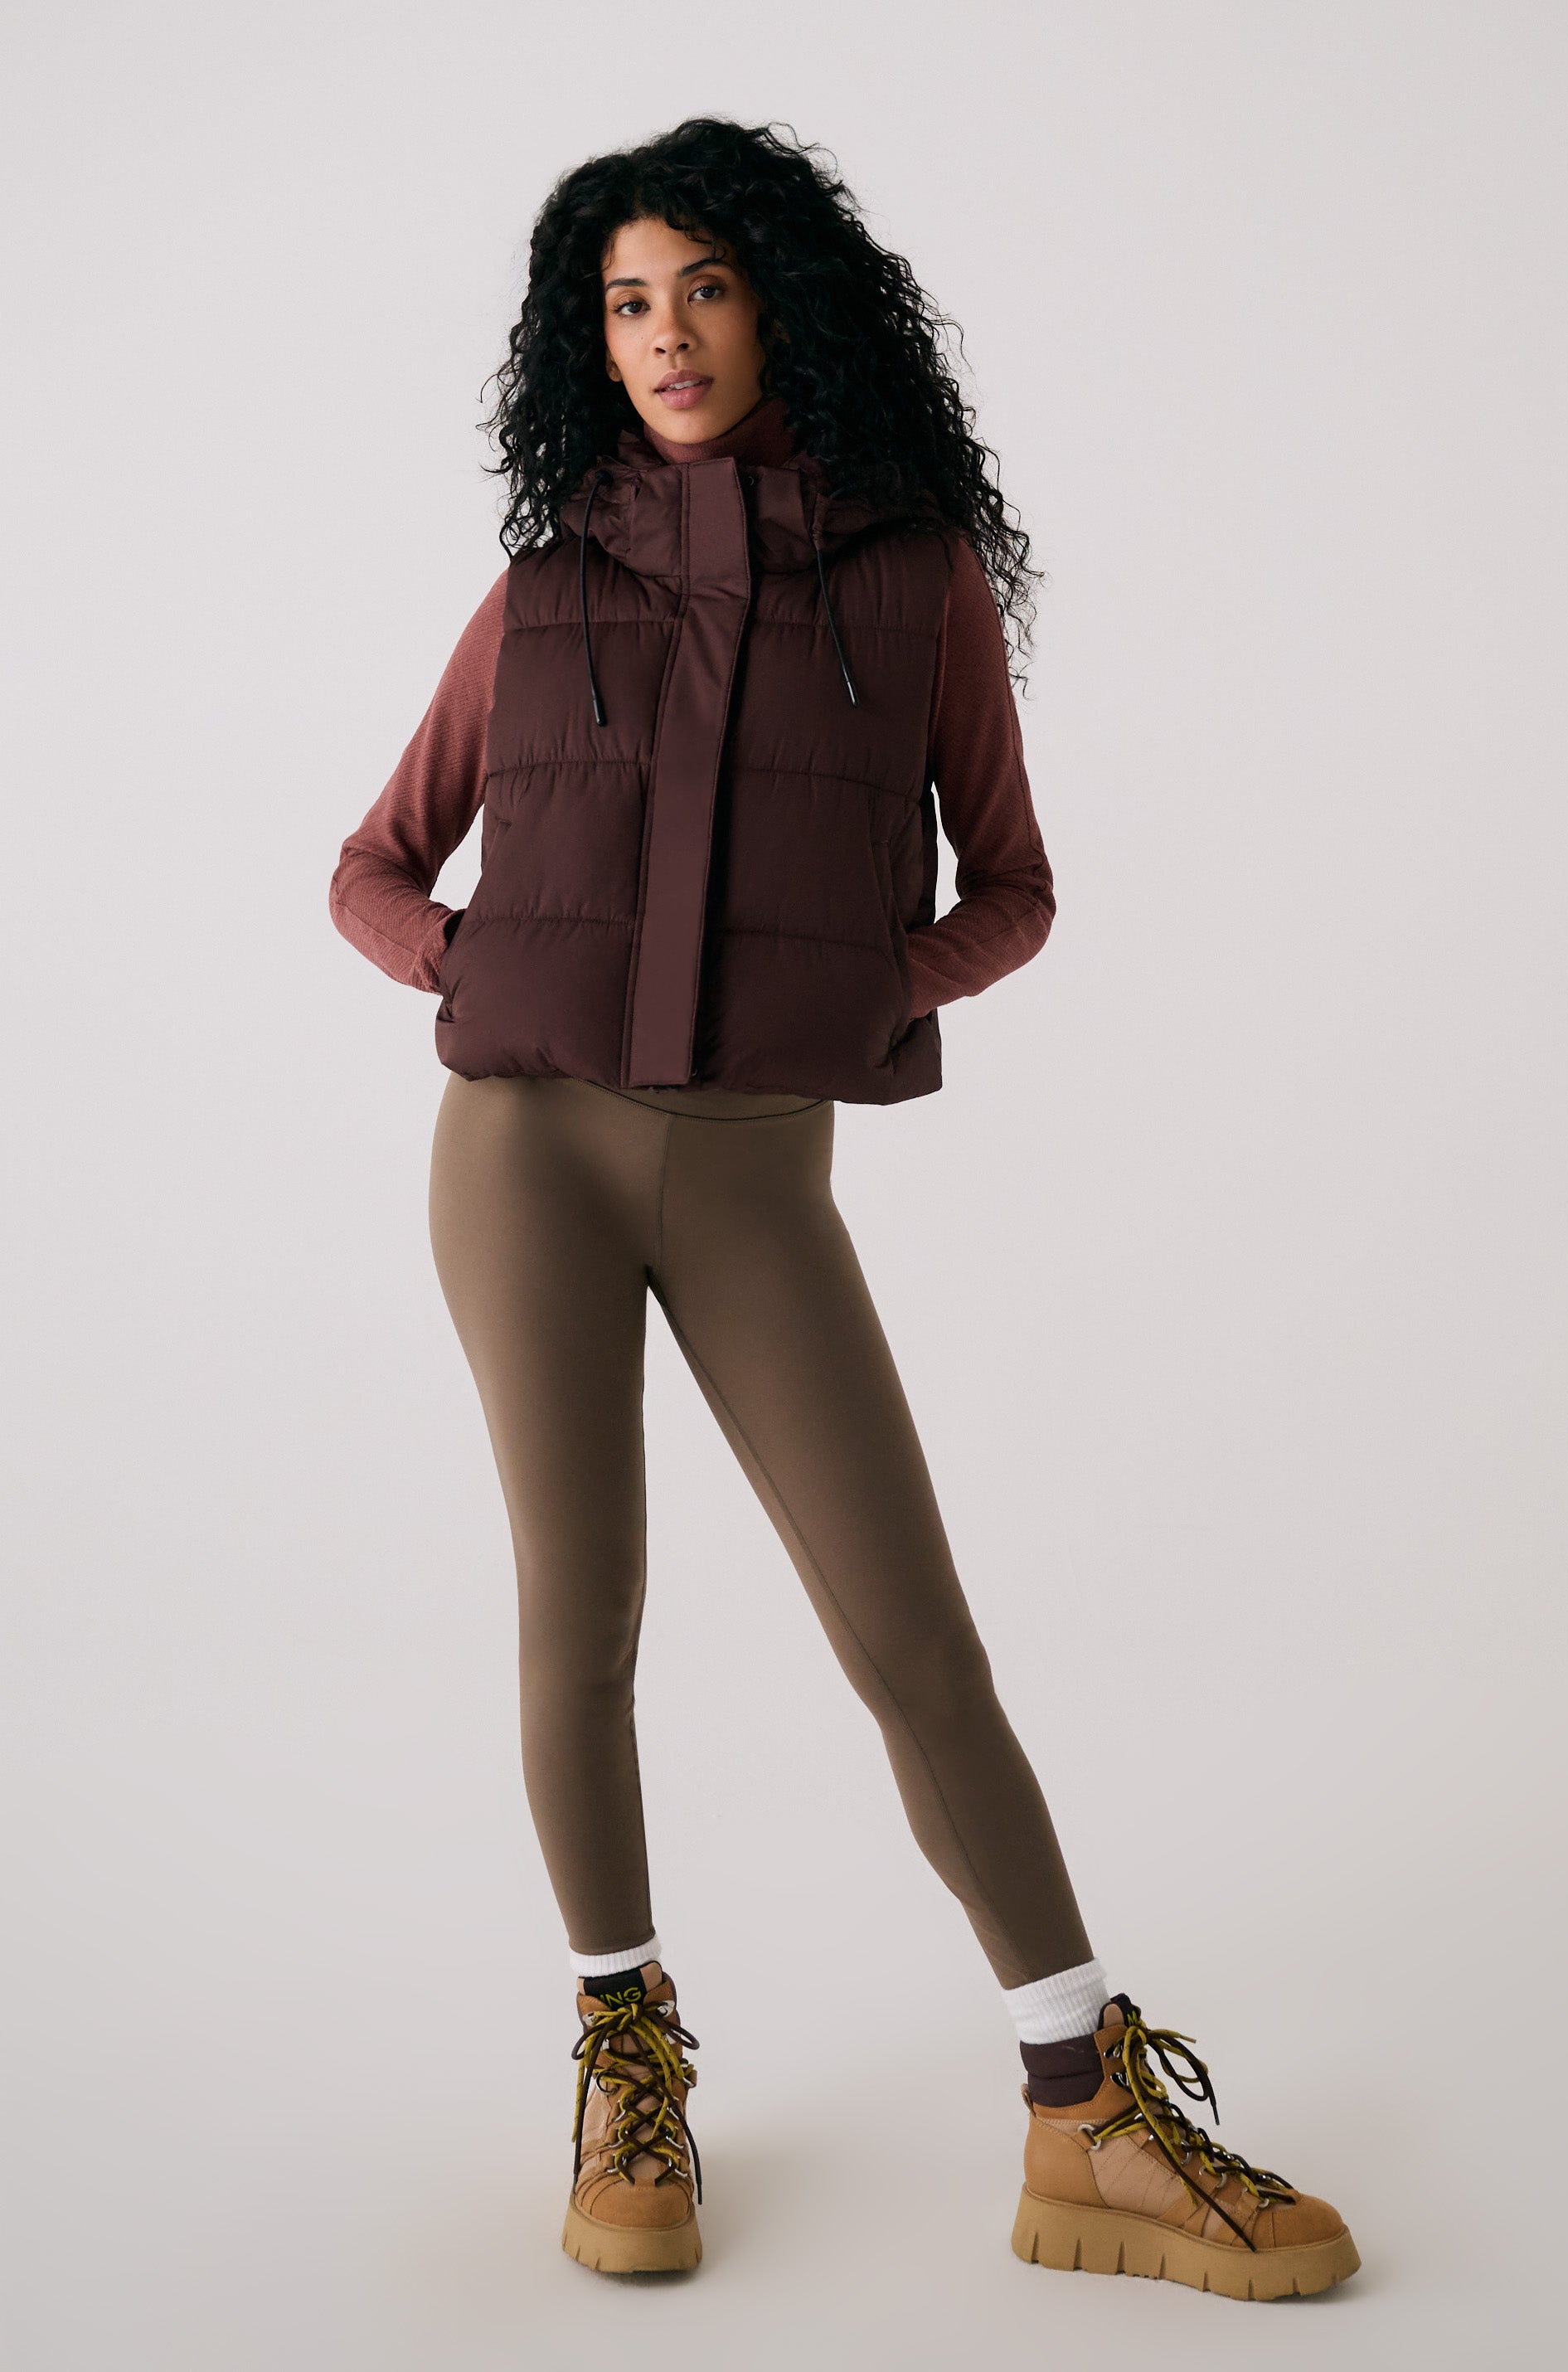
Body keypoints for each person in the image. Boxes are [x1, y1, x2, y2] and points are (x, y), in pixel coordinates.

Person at [328, 115, 1357, 2300]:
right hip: (524, 1157)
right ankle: (625, 2052)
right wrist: (469, 967)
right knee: (581, 1613)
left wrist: (877, 986)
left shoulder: (916, 579)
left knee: (915, 1638)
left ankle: (1085, 2111)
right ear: (587, 341)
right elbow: (371, 867)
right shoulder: (546, 588)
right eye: (625, 301)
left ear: (781, 303)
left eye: (702, 286)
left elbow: (1020, 886)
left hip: (756, 1183)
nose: (665, 335)